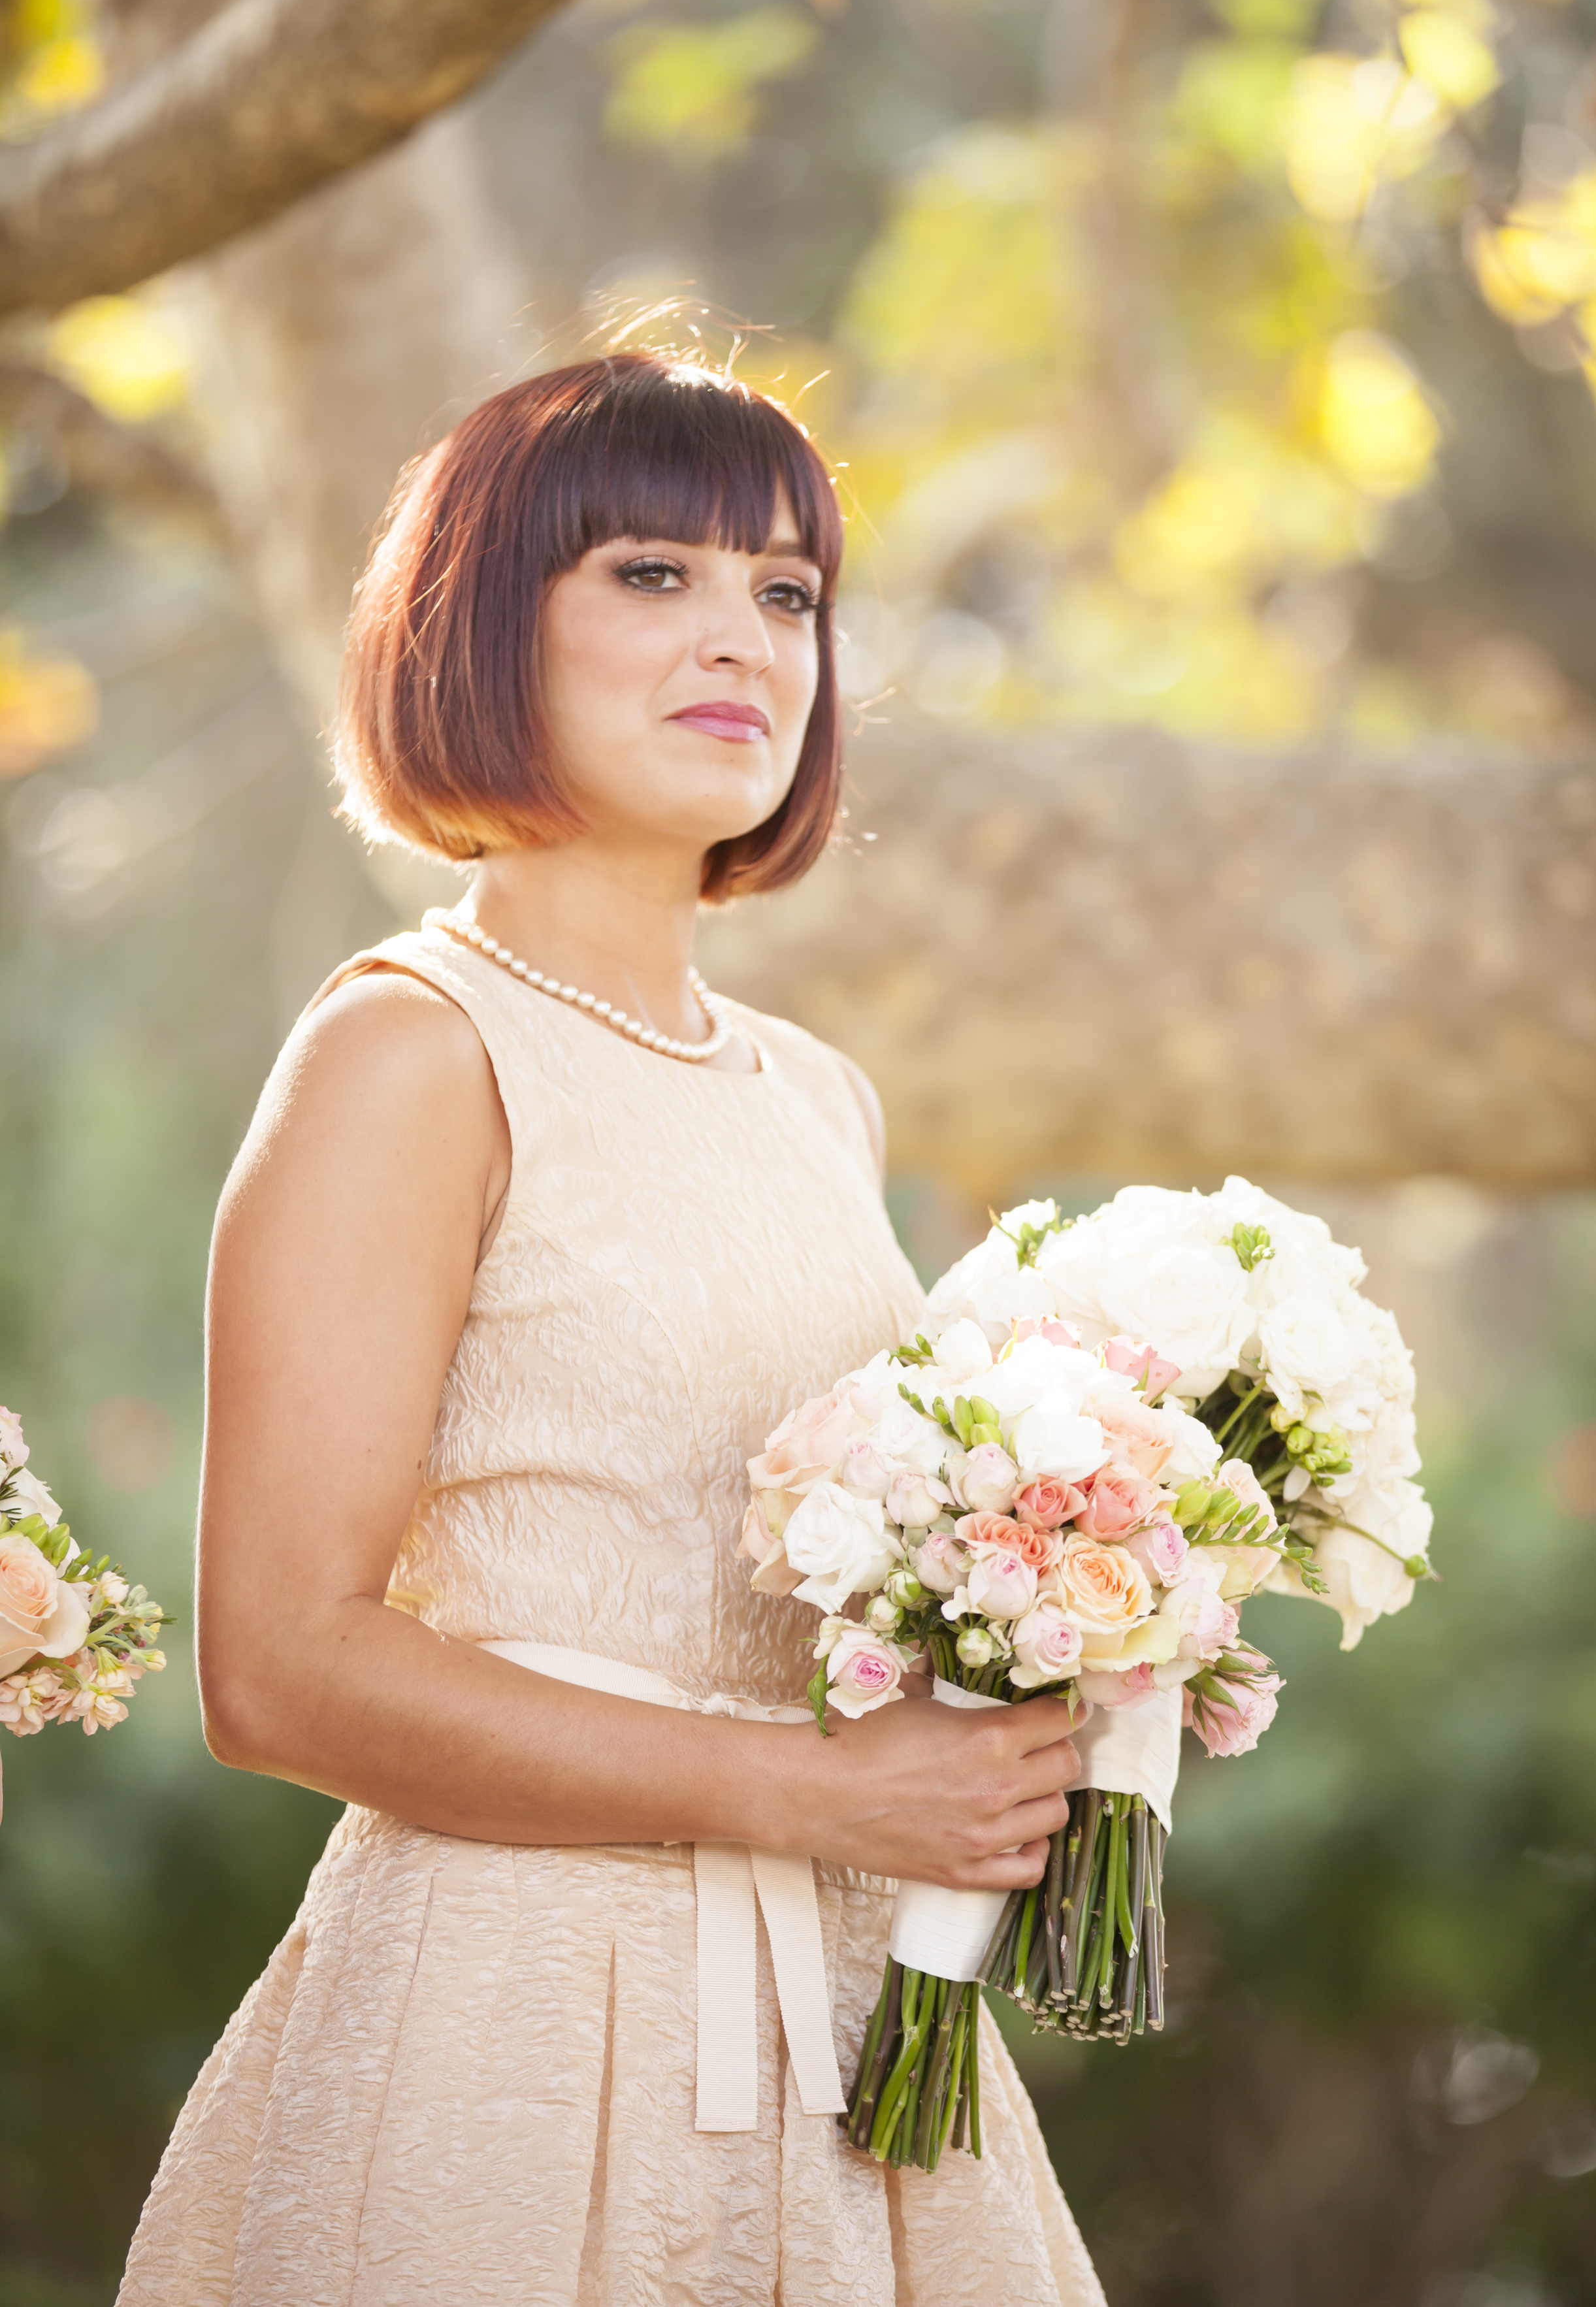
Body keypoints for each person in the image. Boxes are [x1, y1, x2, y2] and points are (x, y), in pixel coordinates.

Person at [116, 352, 1103, 2307]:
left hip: (844, 2044)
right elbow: (277, 1670)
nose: (740, 637)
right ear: (482, 624)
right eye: (652, 576)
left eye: (787, 593)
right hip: (514, 2030)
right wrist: (812, 1792)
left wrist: (1051, 1658)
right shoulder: (411, 1049)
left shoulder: (815, 1096)